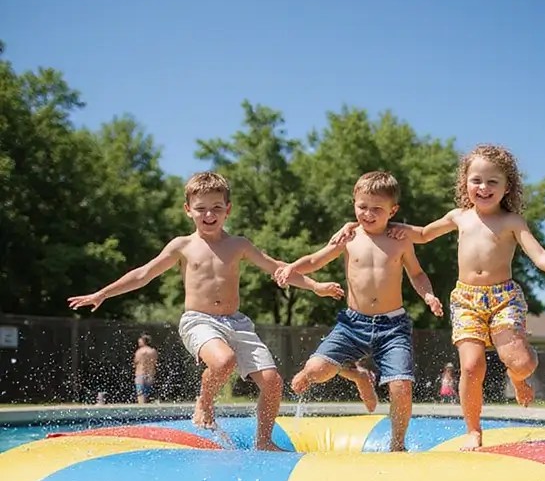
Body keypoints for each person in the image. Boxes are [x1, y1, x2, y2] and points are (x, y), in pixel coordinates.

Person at [339, 146, 545, 450]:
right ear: (465, 182)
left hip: (503, 298)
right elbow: (423, 233)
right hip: (467, 299)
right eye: (476, 180)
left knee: (519, 363)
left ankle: (519, 374)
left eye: (492, 182)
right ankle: (473, 429)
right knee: (471, 367)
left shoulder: (512, 222)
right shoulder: (459, 217)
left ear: (507, 186)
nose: (483, 188)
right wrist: (362, 225)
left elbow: (540, 256)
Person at [68, 171, 343, 447]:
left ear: (228, 210)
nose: (208, 215)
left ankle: (264, 441)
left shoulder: (239, 245)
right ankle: (204, 400)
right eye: (201, 209)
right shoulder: (183, 246)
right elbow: (144, 274)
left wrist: (315, 286)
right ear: (188, 210)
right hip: (199, 321)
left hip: (236, 322)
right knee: (224, 361)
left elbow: (278, 269)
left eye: (216, 208)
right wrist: (103, 293)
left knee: (272, 382)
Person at [275, 171, 443, 452]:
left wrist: (428, 295)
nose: (368, 213)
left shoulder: (400, 239)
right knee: (315, 370)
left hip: (393, 326)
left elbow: (417, 274)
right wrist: (293, 267)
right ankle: (358, 376)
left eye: (377, 209)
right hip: (353, 324)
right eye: (361, 207)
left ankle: (397, 445)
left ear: (393, 210)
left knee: (401, 386)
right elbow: (317, 259)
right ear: (354, 203)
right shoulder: (348, 236)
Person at [134, 333, 158, 403]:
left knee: (140, 394)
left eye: (140, 341)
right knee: (147, 394)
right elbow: (155, 363)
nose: (139, 343)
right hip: (150, 374)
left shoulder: (139, 351)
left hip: (140, 374)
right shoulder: (153, 351)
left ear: (144, 341)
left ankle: (142, 408)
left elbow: (136, 361)